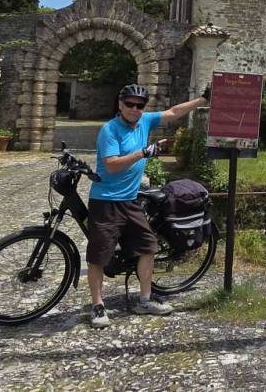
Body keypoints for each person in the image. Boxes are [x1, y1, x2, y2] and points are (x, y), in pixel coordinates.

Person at [86, 82, 210, 328]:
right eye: (130, 104)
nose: (134, 109)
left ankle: (145, 300)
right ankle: (97, 306)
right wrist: (143, 153)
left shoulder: (144, 121)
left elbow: (173, 112)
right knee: (99, 256)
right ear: (120, 104)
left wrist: (203, 99)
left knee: (148, 247)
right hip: (106, 200)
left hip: (131, 200)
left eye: (139, 105)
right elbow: (111, 164)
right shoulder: (110, 130)